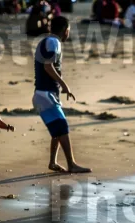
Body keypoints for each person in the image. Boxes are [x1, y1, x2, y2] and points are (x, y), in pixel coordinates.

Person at [32, 17, 91, 173]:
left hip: (44, 94)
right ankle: (71, 164)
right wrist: (65, 85)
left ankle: (52, 162)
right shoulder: (53, 42)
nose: (68, 33)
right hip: (45, 95)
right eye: (69, 30)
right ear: (65, 29)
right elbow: (48, 66)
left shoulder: (47, 41)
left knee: (57, 130)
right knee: (62, 127)